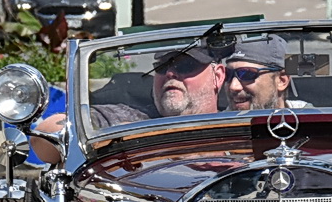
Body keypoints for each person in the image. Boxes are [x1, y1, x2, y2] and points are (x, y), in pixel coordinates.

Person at [31, 44, 227, 162]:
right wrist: (140, 141)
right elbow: (45, 139)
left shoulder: (238, 123)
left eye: (186, 65)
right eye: (162, 66)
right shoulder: (128, 119)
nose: (170, 73)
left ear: (217, 77)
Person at [223, 36, 294, 112]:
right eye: (227, 74)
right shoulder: (216, 122)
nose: (233, 87)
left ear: (281, 81)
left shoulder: (306, 119)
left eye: (247, 74)